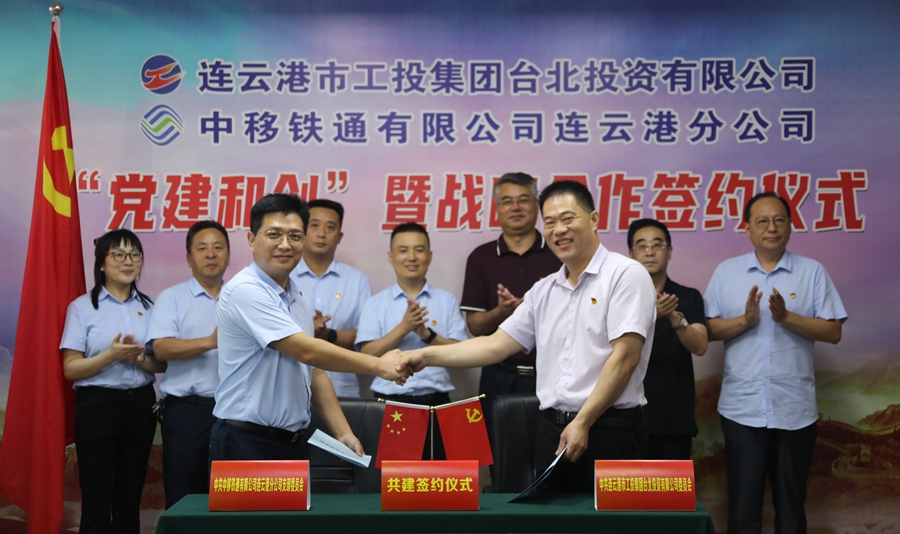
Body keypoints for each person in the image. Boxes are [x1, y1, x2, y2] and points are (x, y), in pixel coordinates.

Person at [402, 181, 656, 492]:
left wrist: (583, 421)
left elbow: (626, 357)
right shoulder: (543, 290)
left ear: (593, 219)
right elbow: (494, 345)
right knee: (549, 516)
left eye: (568, 218)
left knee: (611, 518)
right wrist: (423, 355)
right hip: (553, 429)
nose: (558, 230)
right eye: (550, 222)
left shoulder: (625, 274)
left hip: (609, 428)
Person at [210, 193, 409, 463]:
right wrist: (379, 365)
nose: (285, 244)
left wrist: (343, 432)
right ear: (251, 240)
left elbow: (314, 371)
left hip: (291, 443)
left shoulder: (296, 296)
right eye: (274, 234)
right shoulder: (245, 290)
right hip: (246, 441)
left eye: (295, 236)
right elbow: (306, 351)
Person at [704, 192, 846, 534]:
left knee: (792, 508)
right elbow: (706, 330)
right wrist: (745, 320)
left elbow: (833, 331)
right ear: (748, 229)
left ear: (790, 226)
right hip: (742, 409)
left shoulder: (812, 272)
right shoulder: (727, 272)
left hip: (794, 410)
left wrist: (786, 317)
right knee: (743, 509)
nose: (772, 227)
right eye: (763, 221)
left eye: (779, 220)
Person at [60, 229, 166, 534]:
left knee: (129, 495)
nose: (128, 261)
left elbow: (160, 363)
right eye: (118, 254)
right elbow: (70, 368)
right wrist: (111, 355)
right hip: (97, 405)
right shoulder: (82, 308)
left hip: (140, 405)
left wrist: (137, 359)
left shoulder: (151, 307)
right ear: (102, 263)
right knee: (96, 495)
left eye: (134, 254)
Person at [356, 222, 467, 460]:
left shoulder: (446, 300)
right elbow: (366, 354)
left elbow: (464, 353)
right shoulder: (375, 304)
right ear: (391, 257)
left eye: (419, 250)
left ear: (429, 256)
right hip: (389, 401)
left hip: (437, 402)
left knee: (438, 475)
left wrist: (427, 335)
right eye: (403, 250)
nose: (412, 257)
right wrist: (403, 328)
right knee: (392, 476)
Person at [460, 172, 561, 432]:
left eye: (523, 199)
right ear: (497, 209)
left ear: (537, 206)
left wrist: (544, 304)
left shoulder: (559, 253)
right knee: (498, 450)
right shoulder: (481, 258)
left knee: (550, 448)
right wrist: (502, 311)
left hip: (552, 374)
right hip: (498, 375)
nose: (515, 207)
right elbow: (475, 326)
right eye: (507, 201)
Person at [148, 221, 229, 509]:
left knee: (229, 497)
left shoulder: (242, 298)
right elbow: (161, 347)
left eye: (218, 247)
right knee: (184, 497)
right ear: (189, 258)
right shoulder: (172, 298)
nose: (211, 254)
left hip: (234, 413)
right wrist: (210, 342)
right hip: (187, 413)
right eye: (202, 248)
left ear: (228, 255)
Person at [627, 219, 708, 460]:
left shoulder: (687, 297)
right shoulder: (619, 297)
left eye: (657, 245)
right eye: (642, 246)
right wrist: (650, 315)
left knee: (671, 486)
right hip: (626, 416)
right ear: (631, 254)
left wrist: (674, 317)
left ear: (669, 251)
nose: (649, 251)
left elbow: (700, 346)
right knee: (625, 485)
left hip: (674, 418)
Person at [291, 199, 372, 397]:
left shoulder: (356, 280)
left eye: (330, 227)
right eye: (314, 225)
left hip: (341, 390)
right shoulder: (285, 275)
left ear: (339, 236)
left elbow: (367, 338)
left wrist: (329, 335)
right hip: (290, 387)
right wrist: (306, 331)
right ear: (302, 230)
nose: (321, 234)